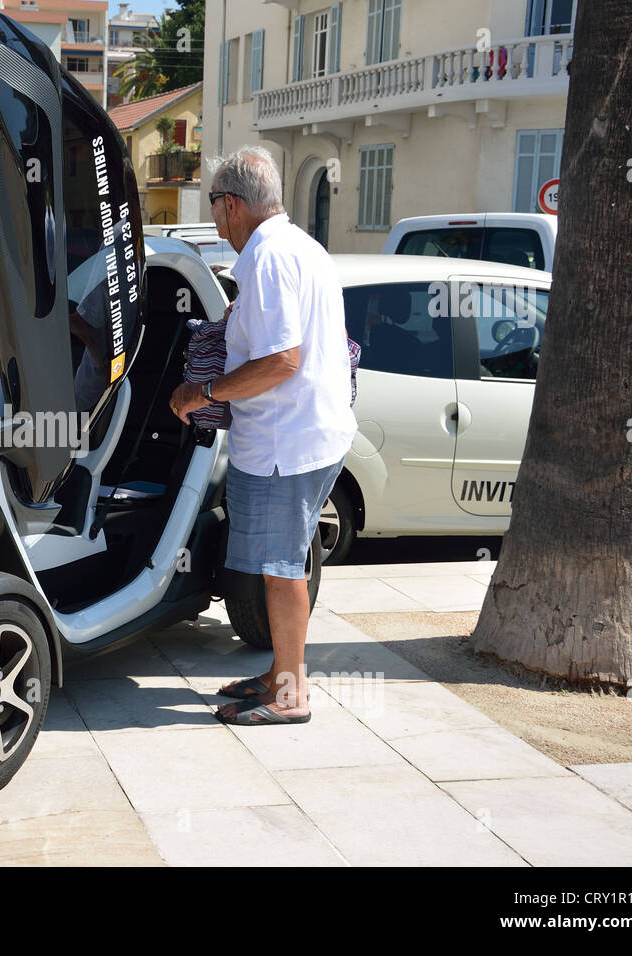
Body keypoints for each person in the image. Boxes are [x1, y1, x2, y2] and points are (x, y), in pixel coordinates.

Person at [169, 146, 357, 726]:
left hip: (286, 444)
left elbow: (281, 360)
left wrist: (203, 393)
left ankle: (291, 694)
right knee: (283, 564)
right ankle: (280, 673)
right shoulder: (301, 246)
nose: (217, 221)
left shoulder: (270, 258)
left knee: (281, 568)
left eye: (215, 207)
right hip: (305, 433)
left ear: (231, 205)